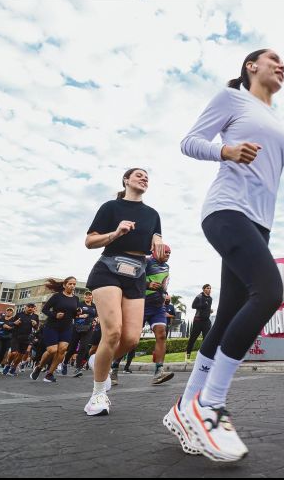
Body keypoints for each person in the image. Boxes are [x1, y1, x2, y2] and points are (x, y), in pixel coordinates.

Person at [165, 48, 284, 462]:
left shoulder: (282, 122)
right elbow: (189, 142)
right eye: (273, 59)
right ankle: (209, 405)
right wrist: (226, 151)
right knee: (269, 292)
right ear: (251, 67)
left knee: (229, 313)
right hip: (226, 210)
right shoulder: (232, 98)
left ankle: (185, 407)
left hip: (260, 224)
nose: (282, 65)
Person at [83, 168, 165, 416]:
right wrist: (116, 233)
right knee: (113, 332)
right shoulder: (111, 207)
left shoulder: (152, 214)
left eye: (147, 176)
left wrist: (159, 248)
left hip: (137, 273)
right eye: (138, 175)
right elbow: (89, 241)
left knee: (131, 339)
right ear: (126, 180)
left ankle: (99, 360)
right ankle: (98, 394)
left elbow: (157, 241)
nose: (144, 178)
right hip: (109, 268)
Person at [30, 277, 79, 383]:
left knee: (62, 350)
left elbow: (74, 314)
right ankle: (39, 367)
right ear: (64, 285)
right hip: (52, 326)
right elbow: (44, 309)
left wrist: (78, 313)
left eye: (74, 284)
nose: (72, 286)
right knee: (52, 350)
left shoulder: (76, 299)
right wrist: (55, 315)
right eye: (70, 284)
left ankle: (49, 374)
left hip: (67, 327)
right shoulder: (57, 296)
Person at [139, 245, 176, 385]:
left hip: (158, 308)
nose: (168, 254)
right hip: (141, 305)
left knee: (161, 335)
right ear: (156, 251)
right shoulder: (146, 261)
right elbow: (133, 278)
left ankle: (159, 372)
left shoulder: (166, 266)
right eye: (165, 252)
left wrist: (164, 293)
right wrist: (148, 284)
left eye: (169, 253)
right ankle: (114, 367)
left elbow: (163, 283)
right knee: (131, 340)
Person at [66, 291, 97, 378]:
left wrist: (96, 319)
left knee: (83, 347)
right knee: (72, 348)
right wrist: (80, 316)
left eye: (89, 295)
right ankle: (64, 362)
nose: (88, 296)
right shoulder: (79, 304)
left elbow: (97, 316)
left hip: (88, 329)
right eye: (86, 295)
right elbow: (73, 315)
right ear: (84, 297)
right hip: (77, 328)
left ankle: (78, 368)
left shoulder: (94, 306)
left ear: (92, 297)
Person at [5, 303, 39, 376]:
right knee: (14, 353)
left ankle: (13, 369)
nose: (30, 308)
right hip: (16, 336)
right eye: (29, 307)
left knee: (21, 355)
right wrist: (15, 323)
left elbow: (37, 328)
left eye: (32, 307)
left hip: (26, 338)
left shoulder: (35, 316)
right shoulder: (19, 314)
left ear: (34, 309)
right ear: (25, 307)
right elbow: (10, 323)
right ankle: (8, 365)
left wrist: (35, 325)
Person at [185, 284, 213, 361]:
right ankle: (187, 355)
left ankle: (203, 356)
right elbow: (193, 306)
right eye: (207, 288)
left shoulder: (210, 298)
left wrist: (209, 310)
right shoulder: (199, 296)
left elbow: (207, 307)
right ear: (204, 289)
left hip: (206, 321)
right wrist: (203, 305)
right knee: (193, 338)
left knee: (206, 339)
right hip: (198, 320)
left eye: (210, 288)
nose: (209, 289)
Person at [0, 307, 16, 374]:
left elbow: (15, 329)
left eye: (10, 311)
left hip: (7, 339)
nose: (9, 312)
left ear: (12, 312)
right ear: (6, 311)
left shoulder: (14, 320)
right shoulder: (0, 319)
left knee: (2, 353)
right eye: (8, 310)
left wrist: (9, 327)